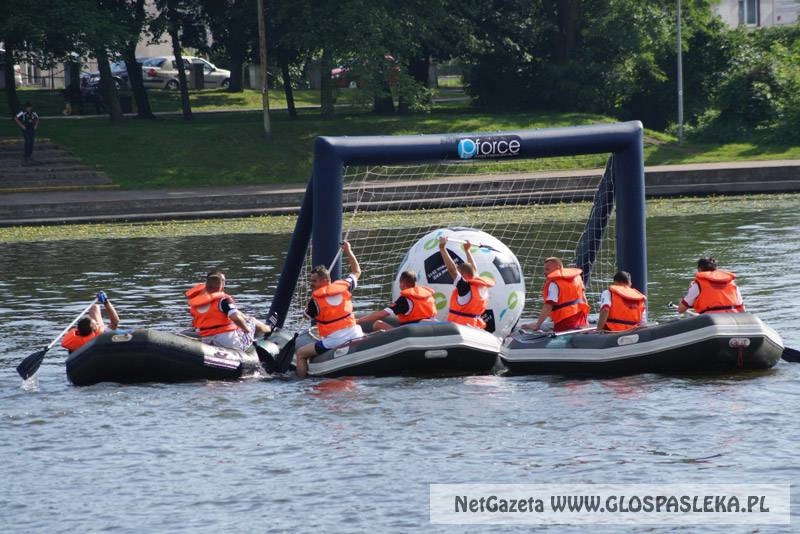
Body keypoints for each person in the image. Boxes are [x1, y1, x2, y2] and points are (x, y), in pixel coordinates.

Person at [295, 241, 364, 378]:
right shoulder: (345, 286)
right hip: (356, 333)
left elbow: (306, 317)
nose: (311, 284)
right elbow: (357, 271)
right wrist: (348, 251)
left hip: (335, 340)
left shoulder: (315, 302)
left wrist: (310, 303)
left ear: (324, 280)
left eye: (314, 281)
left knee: (301, 354)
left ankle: (300, 384)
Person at [185, 270, 275, 351]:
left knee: (242, 318)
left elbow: (198, 321)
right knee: (251, 321)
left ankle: (261, 329)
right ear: (222, 284)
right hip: (228, 342)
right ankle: (268, 328)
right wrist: (246, 330)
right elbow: (235, 318)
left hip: (206, 338)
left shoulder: (197, 302)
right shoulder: (223, 300)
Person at [438, 236, 495, 330]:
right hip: (475, 325)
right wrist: (467, 250)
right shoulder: (479, 284)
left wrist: (442, 248)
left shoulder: (465, 288)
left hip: (460, 327)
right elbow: (474, 269)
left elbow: (452, 270)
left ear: (463, 275)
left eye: (460, 273)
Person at [356, 270, 437, 332]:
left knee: (378, 324)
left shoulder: (406, 299)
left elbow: (381, 314)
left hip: (412, 332)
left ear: (402, 284)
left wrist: (359, 320)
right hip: (430, 328)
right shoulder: (428, 295)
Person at [524, 257, 589, 332]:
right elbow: (584, 299)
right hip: (581, 317)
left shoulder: (554, 283)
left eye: (547, 269)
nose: (544, 272)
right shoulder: (577, 278)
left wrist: (537, 325)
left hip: (565, 321)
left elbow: (548, 306)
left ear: (558, 268)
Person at [677, 256, 745, 314]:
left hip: (712, 320)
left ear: (699, 269)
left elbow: (681, 309)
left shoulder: (697, 284)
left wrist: (688, 291)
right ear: (716, 269)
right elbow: (742, 309)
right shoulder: (731, 283)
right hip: (734, 317)